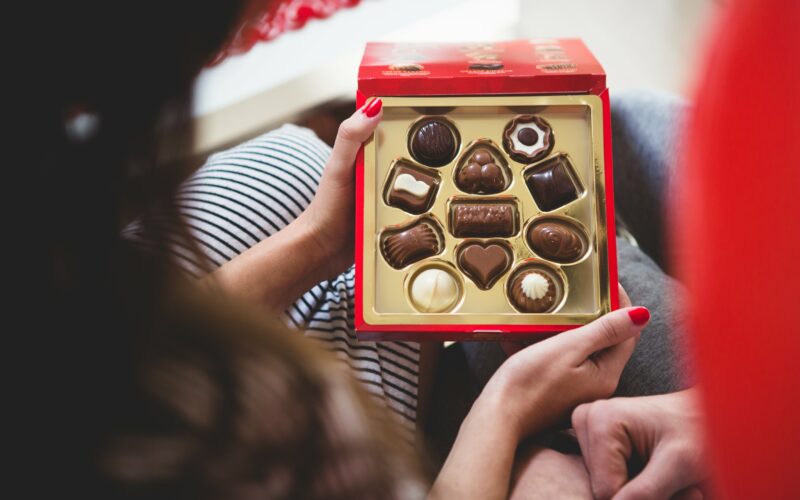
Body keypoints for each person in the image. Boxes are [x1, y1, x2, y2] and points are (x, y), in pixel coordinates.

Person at [15, 0, 662, 499]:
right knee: (633, 124)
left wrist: (320, 244)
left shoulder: (62, 295)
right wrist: (510, 408)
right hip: (436, 404)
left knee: (624, 123)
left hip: (331, 297)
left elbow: (119, 350)